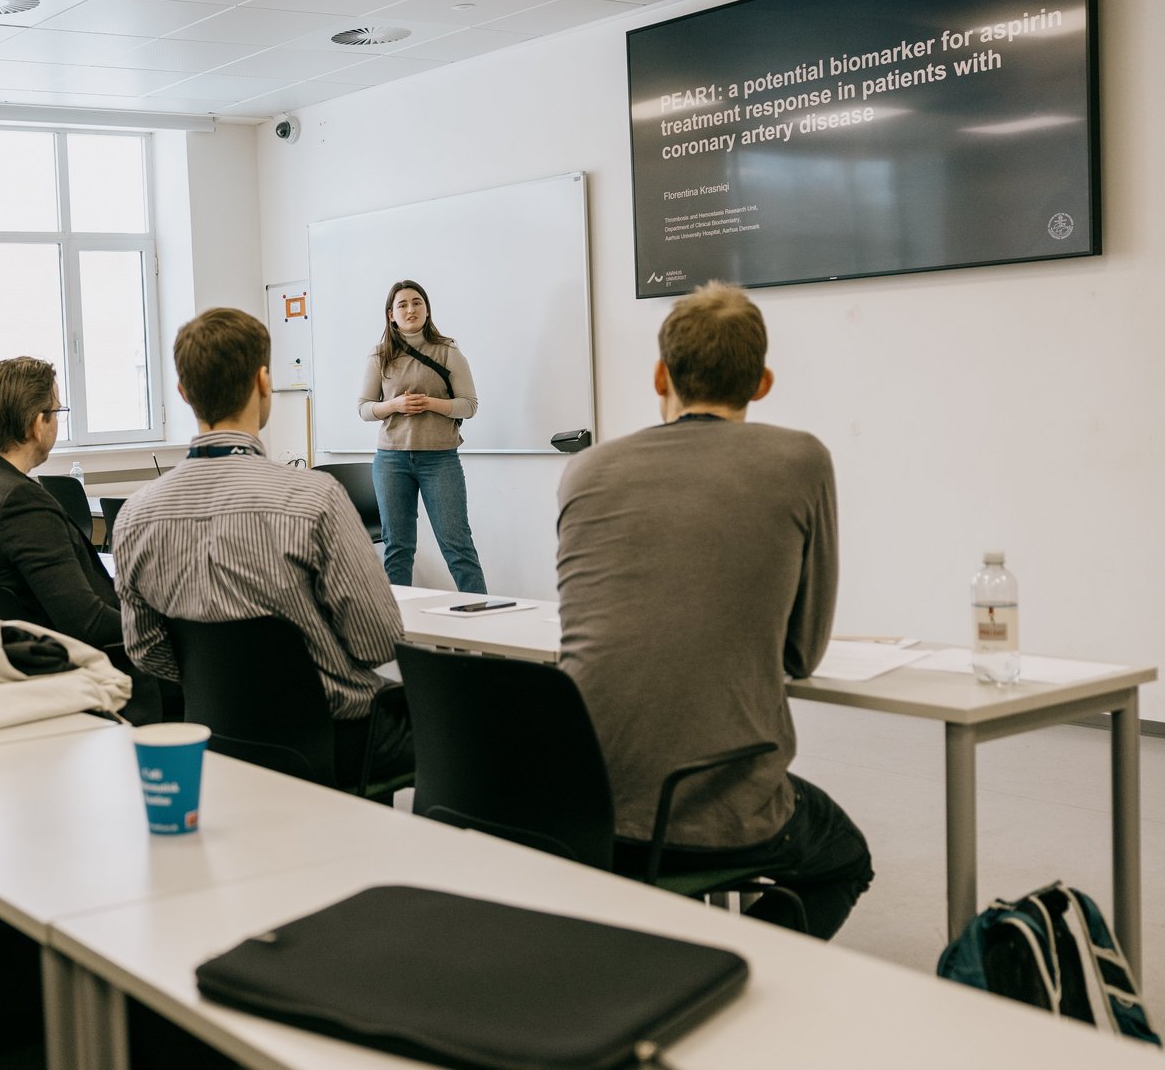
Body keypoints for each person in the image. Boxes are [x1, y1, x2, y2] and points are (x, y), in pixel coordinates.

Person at [554, 282, 870, 940]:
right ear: (763, 384)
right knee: (843, 858)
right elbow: (802, 654)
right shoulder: (801, 461)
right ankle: (750, 961)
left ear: (660, 376)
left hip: (578, 799)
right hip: (716, 809)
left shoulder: (586, 470)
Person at [116, 307, 412, 786]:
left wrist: (227, 684)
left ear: (183, 392)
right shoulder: (314, 499)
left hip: (214, 737)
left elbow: (146, 649)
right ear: (263, 382)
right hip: (339, 740)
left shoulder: (135, 515)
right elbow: (376, 642)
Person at [0, 357, 120, 647]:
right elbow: (87, 624)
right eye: (57, 411)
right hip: (78, 664)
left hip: (18, 661)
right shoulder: (21, 504)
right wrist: (162, 624)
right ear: (38, 424)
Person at [358, 280, 485, 593]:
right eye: (402, 305)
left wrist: (430, 403)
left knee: (457, 545)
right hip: (391, 461)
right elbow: (364, 408)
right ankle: (396, 622)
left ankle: (482, 618)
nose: (410, 309)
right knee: (397, 548)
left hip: (439, 460)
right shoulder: (379, 355)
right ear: (391, 315)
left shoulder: (447, 351)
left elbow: (469, 405)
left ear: (427, 310)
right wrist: (394, 405)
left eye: (417, 302)